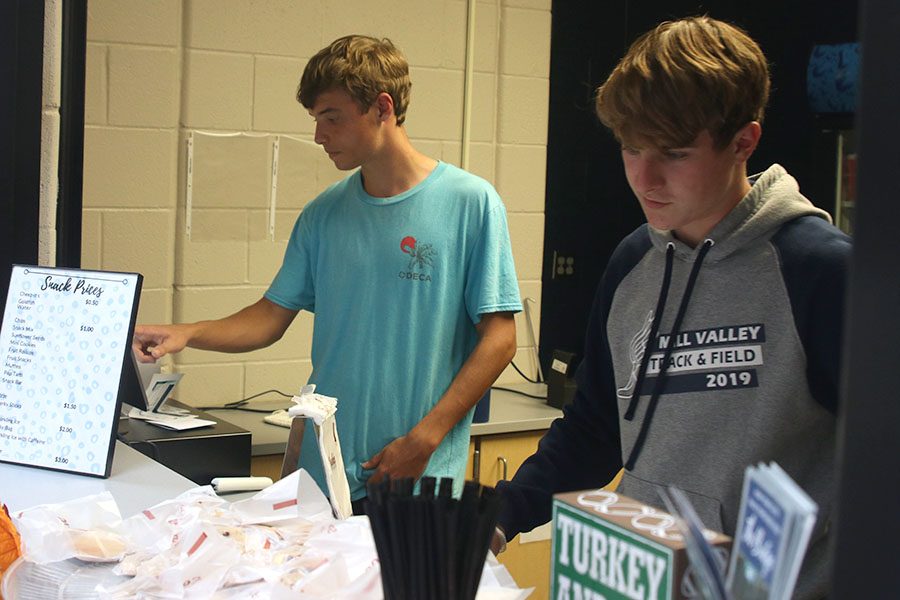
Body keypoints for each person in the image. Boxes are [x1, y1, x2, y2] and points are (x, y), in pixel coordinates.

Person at [493, 16, 848, 598]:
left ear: (744, 142)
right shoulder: (632, 263)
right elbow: (595, 428)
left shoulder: (821, 271)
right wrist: (503, 512)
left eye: (675, 154)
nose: (645, 177)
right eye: (631, 149)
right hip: (639, 581)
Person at [133, 35, 521, 508]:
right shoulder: (323, 215)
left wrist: (424, 440)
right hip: (326, 478)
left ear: (382, 108)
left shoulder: (471, 204)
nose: (319, 136)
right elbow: (268, 318)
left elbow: (500, 340)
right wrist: (185, 333)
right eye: (316, 120)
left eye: (331, 118)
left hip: (417, 475)